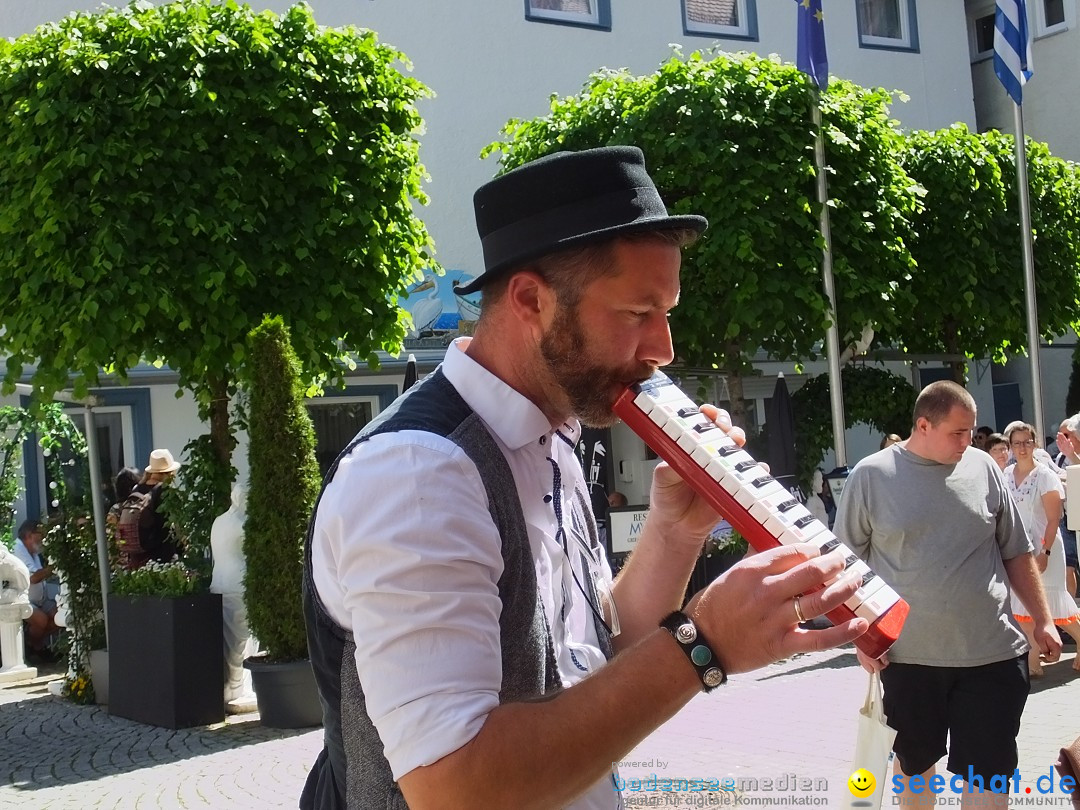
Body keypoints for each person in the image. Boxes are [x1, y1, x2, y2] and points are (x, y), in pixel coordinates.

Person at [301, 146, 868, 810]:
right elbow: (459, 787)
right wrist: (703, 644)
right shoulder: (421, 475)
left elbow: (595, 653)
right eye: (636, 314)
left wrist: (675, 531)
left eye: (667, 313)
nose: (664, 349)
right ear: (531, 299)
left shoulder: (553, 431)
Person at [835, 381, 1060, 809]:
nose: (967, 442)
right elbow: (845, 570)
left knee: (989, 775)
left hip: (993, 655)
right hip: (909, 659)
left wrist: (1044, 618)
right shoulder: (871, 476)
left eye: (971, 431)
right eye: (957, 433)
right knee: (915, 769)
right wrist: (860, 640)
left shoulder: (984, 468)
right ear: (923, 425)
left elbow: (1015, 550)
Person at [1003, 422, 1080, 674]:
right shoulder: (1006, 474)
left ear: (1034, 443)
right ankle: (1034, 665)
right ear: (1011, 446)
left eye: (1026, 442)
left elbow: (1053, 519)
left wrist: (1044, 553)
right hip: (1019, 549)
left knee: (1054, 606)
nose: (1022, 448)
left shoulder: (1044, 475)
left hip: (1043, 547)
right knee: (1023, 608)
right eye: (1017, 443)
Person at [117, 450, 182, 570]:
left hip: (138, 558)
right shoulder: (165, 491)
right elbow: (173, 528)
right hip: (162, 558)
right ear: (169, 472)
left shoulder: (137, 489)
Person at [12, 519, 59, 662]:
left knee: (61, 616)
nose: (43, 537)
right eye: (40, 534)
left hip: (40, 599)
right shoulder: (18, 548)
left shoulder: (31, 549)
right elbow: (32, 578)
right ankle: (36, 646)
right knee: (42, 620)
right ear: (29, 535)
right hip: (21, 598)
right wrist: (54, 567)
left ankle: (30, 642)